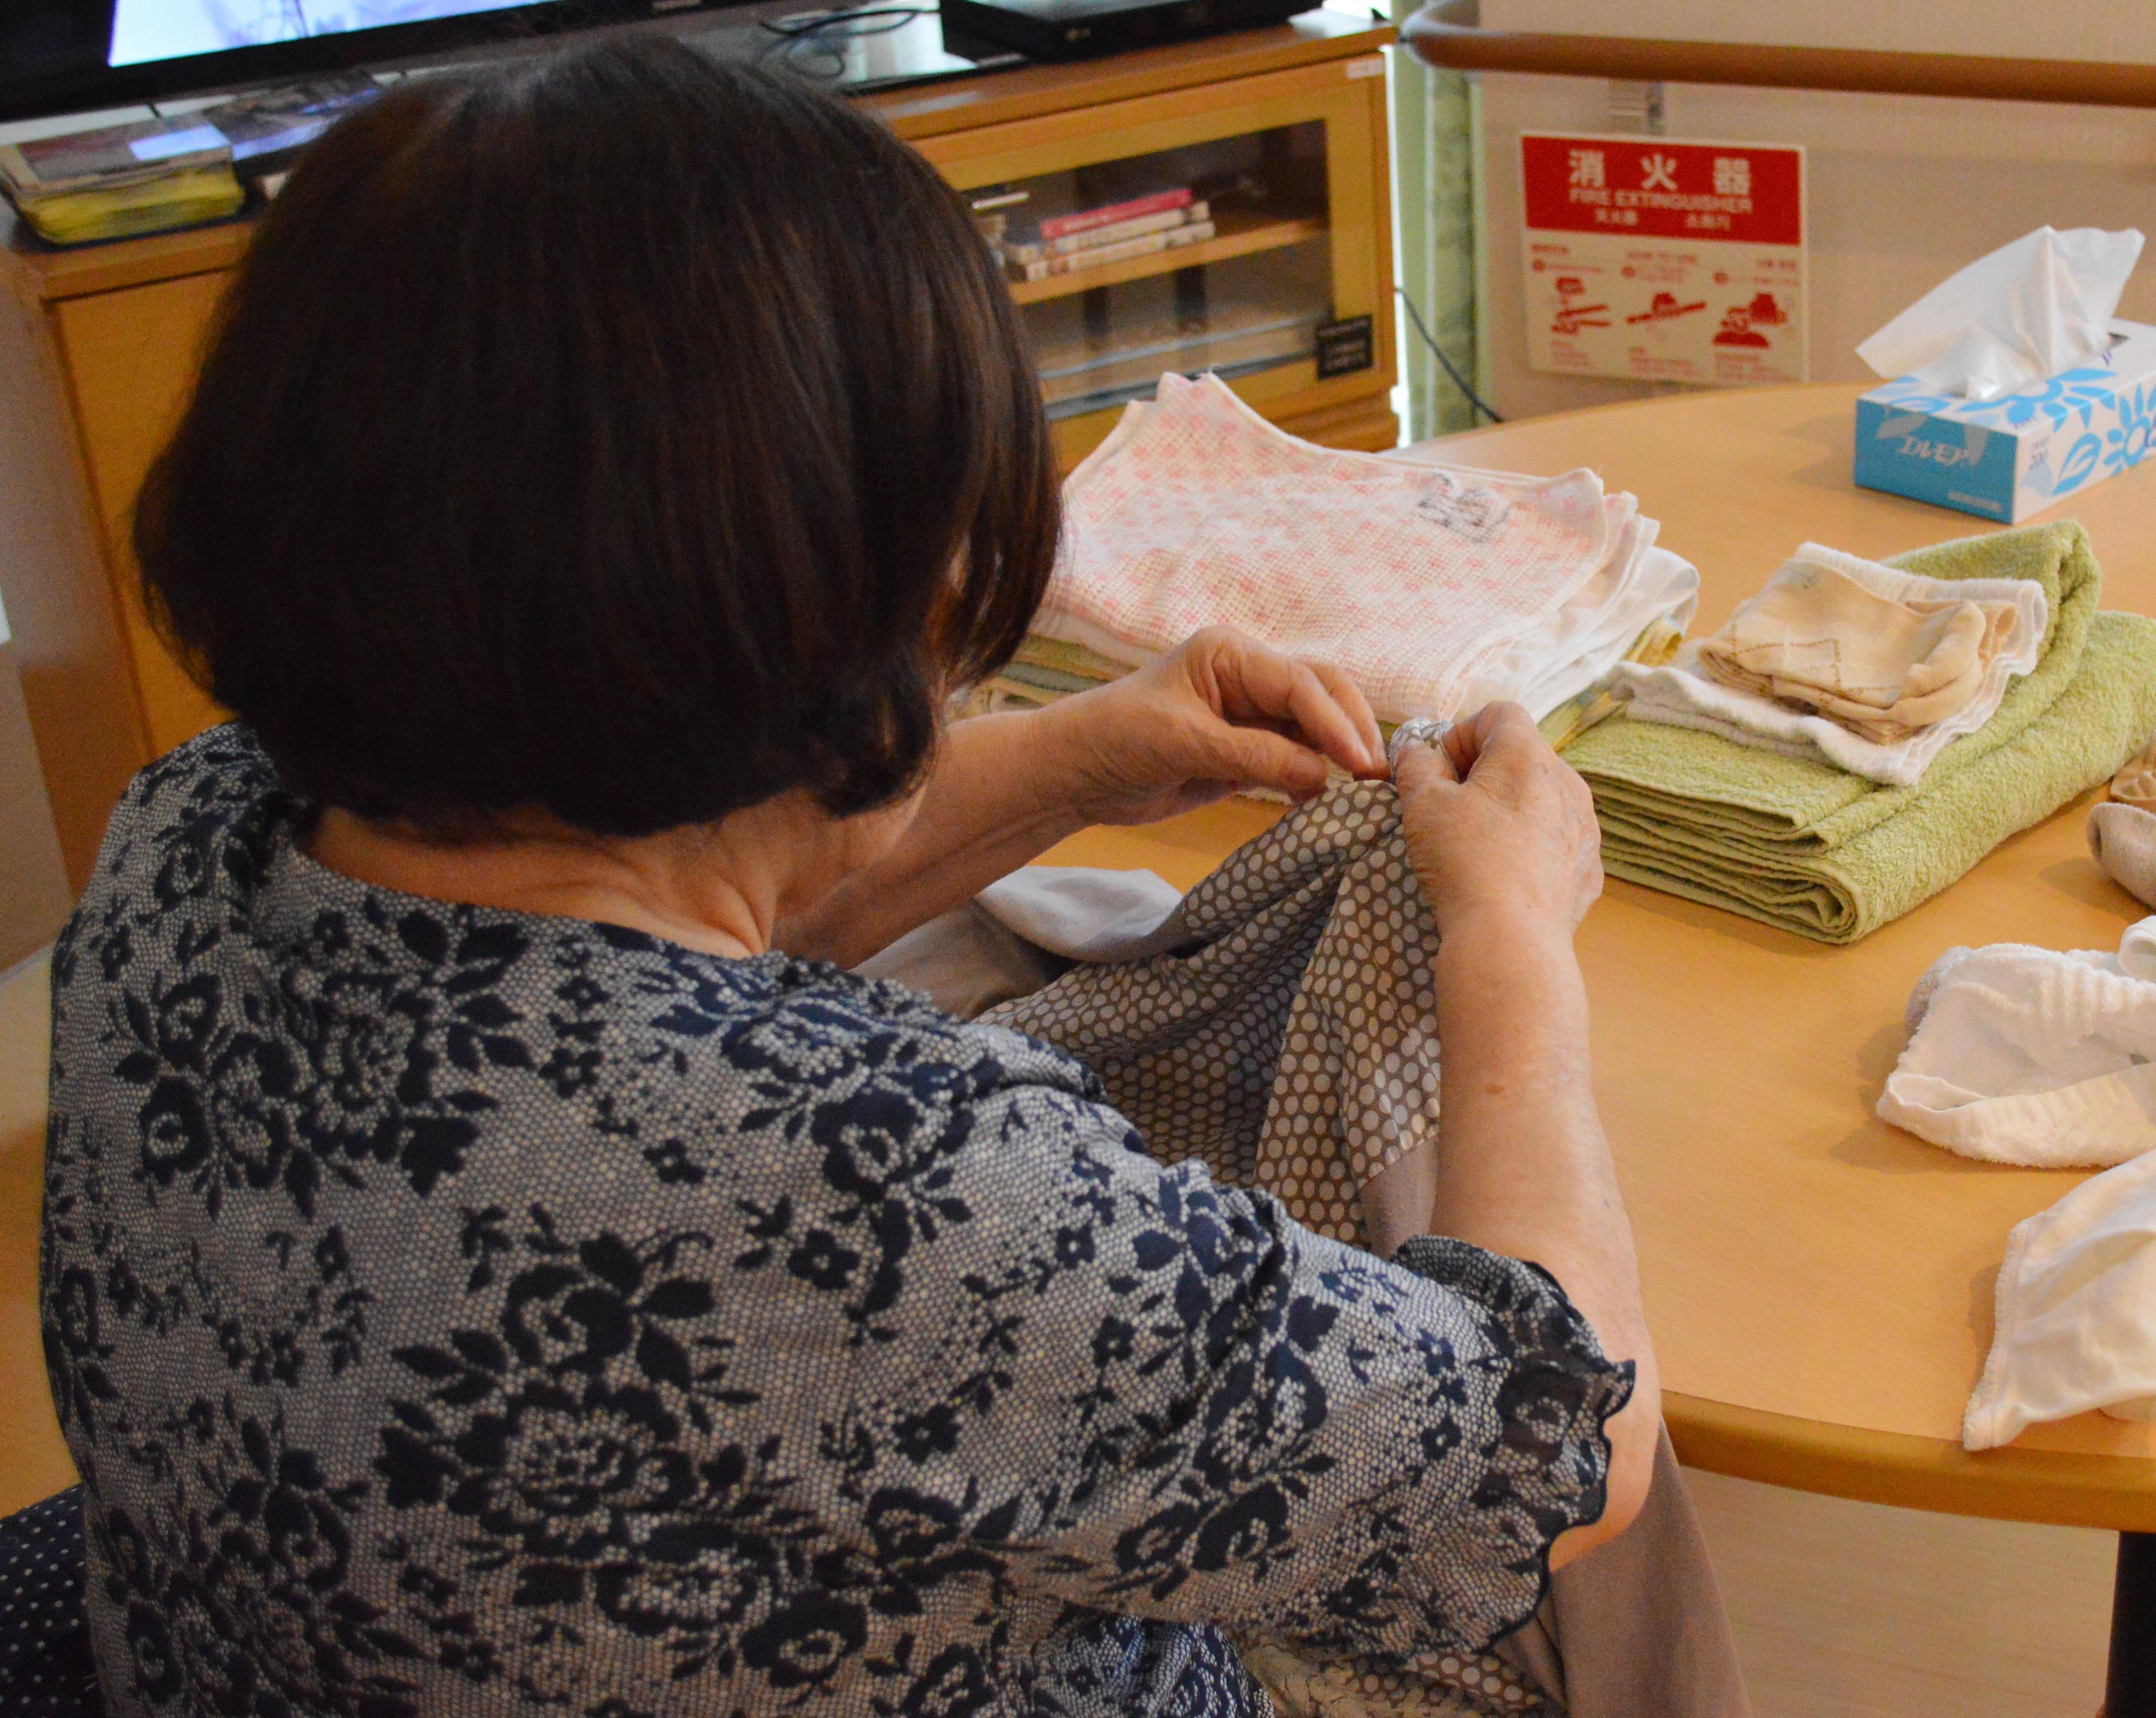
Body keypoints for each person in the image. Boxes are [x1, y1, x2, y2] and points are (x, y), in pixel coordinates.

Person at [40, 35, 1661, 1718]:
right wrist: (1509, 930)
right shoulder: (880, 1191)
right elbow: (1553, 1447)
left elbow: (610, 942)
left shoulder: (185, 840)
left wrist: (1090, 750)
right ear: (827, 610)